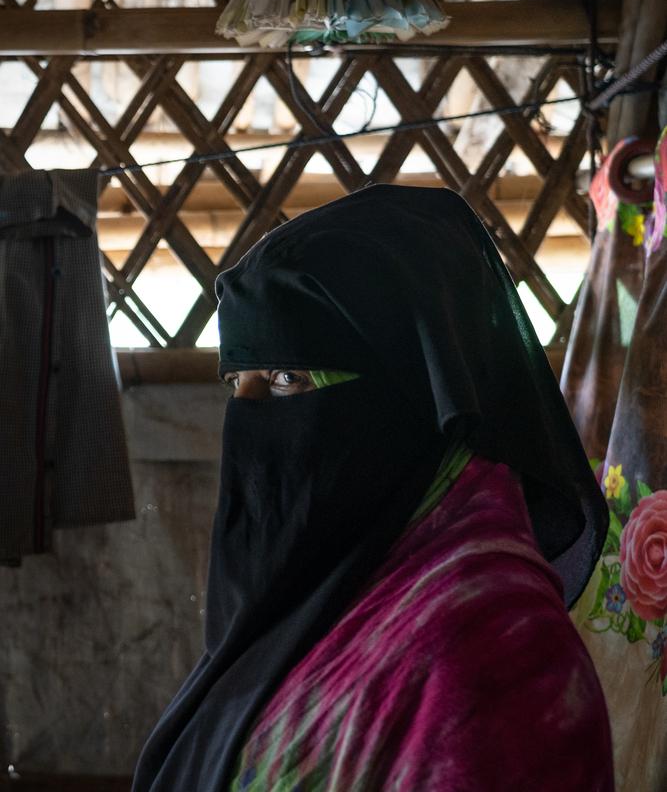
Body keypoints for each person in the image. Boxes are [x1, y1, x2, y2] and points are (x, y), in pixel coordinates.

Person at [133, 184, 614, 791]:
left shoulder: (492, 657)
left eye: (286, 377)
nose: (245, 420)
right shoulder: (321, 600)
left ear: (405, 394)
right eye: (237, 381)